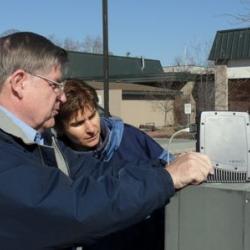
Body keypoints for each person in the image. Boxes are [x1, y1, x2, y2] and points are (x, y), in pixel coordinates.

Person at [0, 31, 214, 250]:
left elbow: (98, 172)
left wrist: (166, 168)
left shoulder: (40, 142)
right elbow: (75, 209)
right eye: (54, 85)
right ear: (19, 82)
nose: (61, 97)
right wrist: (167, 179)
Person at [54, 78, 175, 250]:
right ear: (61, 128)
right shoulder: (60, 162)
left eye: (92, 116)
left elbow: (172, 175)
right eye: (78, 123)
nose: (90, 128)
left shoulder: (132, 137)